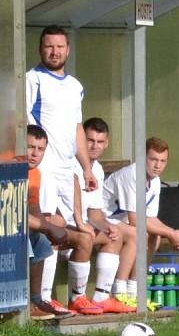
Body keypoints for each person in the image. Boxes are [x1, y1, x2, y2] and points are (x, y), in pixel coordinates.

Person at [26, 25, 98, 311]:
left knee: (78, 232)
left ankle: (77, 297)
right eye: (49, 46)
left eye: (60, 46)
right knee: (50, 227)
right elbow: (23, 124)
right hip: (45, 168)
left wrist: (86, 168)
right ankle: (41, 298)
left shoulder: (75, 86)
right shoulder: (33, 79)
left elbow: (77, 128)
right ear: (40, 49)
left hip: (68, 170)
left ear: (68, 49)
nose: (54, 52)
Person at [102, 137, 179, 309]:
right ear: (143, 158)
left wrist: (174, 233)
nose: (158, 165)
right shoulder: (131, 175)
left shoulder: (155, 181)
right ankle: (119, 292)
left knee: (155, 236)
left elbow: (150, 218)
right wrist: (170, 234)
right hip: (104, 219)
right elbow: (136, 220)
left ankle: (135, 292)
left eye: (163, 161)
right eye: (153, 159)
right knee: (139, 234)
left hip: (122, 222)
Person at [23, 124, 98, 316]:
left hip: (27, 227)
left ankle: (37, 301)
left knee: (40, 241)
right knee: (36, 240)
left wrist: (49, 228)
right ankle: (36, 302)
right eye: (30, 147)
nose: (34, 153)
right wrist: (49, 228)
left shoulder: (36, 174)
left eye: (40, 149)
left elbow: (34, 211)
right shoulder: (14, 168)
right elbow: (19, 214)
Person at [74, 118, 136, 314]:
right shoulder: (71, 164)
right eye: (90, 140)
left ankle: (102, 297)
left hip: (84, 226)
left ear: (106, 143)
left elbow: (95, 213)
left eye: (100, 142)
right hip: (68, 227)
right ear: (81, 138)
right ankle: (75, 298)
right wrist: (84, 225)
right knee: (87, 236)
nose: (94, 146)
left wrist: (105, 226)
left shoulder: (98, 170)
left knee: (113, 233)